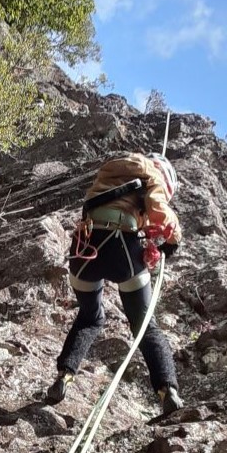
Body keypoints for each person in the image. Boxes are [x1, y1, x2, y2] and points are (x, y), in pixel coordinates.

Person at [47, 151, 183, 416]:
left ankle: (64, 376)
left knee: (89, 317)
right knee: (144, 326)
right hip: (120, 245)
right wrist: (172, 238)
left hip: (83, 249)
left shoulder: (109, 171)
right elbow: (158, 208)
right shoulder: (151, 173)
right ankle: (168, 390)